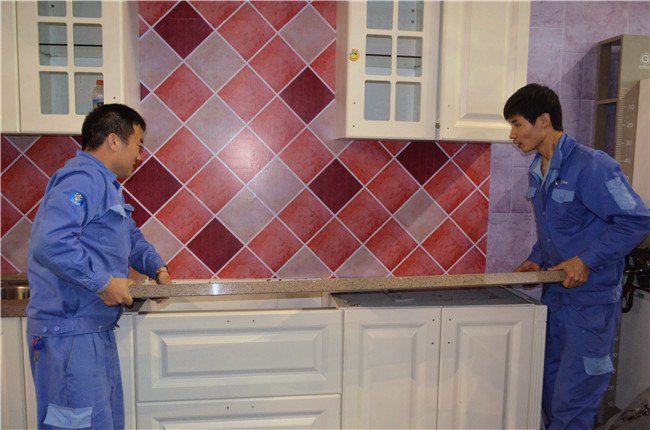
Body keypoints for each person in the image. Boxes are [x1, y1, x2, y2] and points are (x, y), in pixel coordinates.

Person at [503, 84, 650, 429]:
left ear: (543, 120)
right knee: (547, 393)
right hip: (555, 299)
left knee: (573, 401)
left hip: (590, 306)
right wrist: (536, 258)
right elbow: (558, 227)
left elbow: (637, 221)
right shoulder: (540, 169)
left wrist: (586, 261)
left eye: (517, 124)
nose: (512, 135)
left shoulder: (593, 166)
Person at [26, 104, 173, 429]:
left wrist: (158, 269)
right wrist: (104, 283)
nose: (140, 154)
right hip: (69, 335)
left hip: (91, 331)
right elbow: (50, 242)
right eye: (138, 144)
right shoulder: (82, 181)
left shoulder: (106, 186)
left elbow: (131, 237)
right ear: (114, 140)